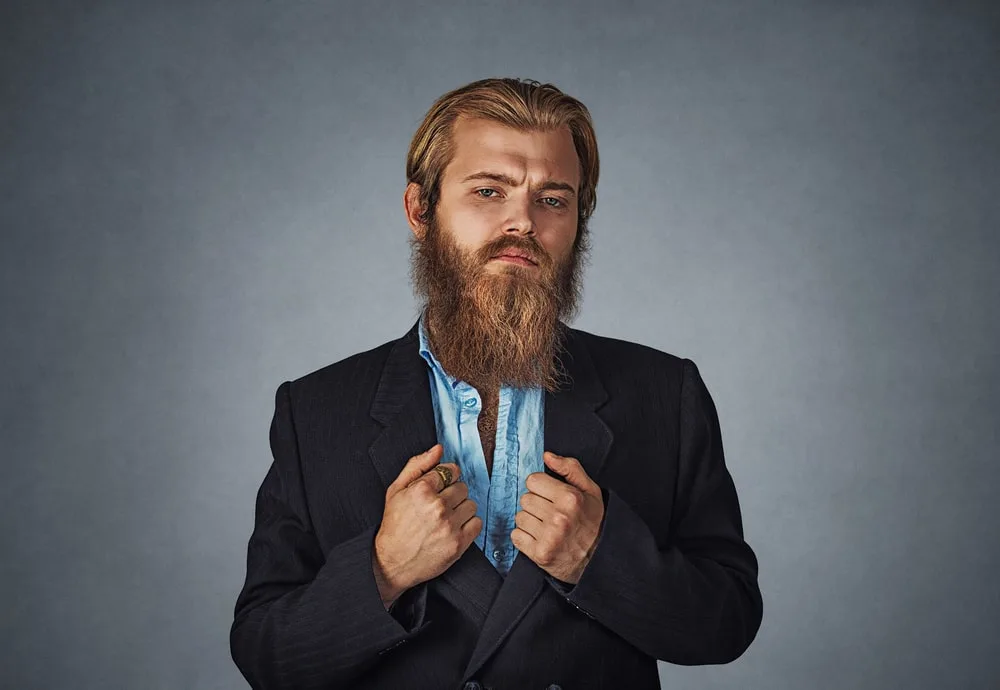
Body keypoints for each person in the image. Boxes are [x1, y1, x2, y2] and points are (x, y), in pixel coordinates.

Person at [230, 77, 763, 690]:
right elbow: (265, 654)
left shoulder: (666, 394)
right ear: (419, 211)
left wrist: (601, 559)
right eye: (489, 191)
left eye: (554, 199)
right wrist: (382, 571)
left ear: (578, 223)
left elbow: (728, 624)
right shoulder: (316, 410)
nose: (523, 222)